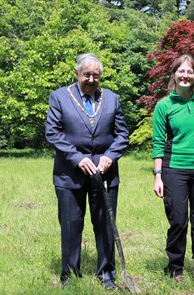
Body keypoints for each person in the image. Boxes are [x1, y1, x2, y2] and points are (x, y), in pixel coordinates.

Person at [45, 53, 129, 289]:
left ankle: (107, 275)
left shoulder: (112, 99)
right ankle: (70, 276)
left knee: (104, 225)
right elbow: (53, 133)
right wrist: (76, 157)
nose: (91, 79)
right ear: (77, 74)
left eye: (96, 75)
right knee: (71, 226)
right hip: (69, 174)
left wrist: (110, 157)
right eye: (87, 75)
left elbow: (122, 134)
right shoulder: (59, 97)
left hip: (105, 174)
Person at [152, 54, 194, 282]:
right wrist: (158, 175)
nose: (185, 75)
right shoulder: (164, 106)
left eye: (190, 72)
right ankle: (175, 267)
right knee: (178, 220)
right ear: (174, 74)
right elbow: (158, 142)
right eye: (181, 71)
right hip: (174, 168)